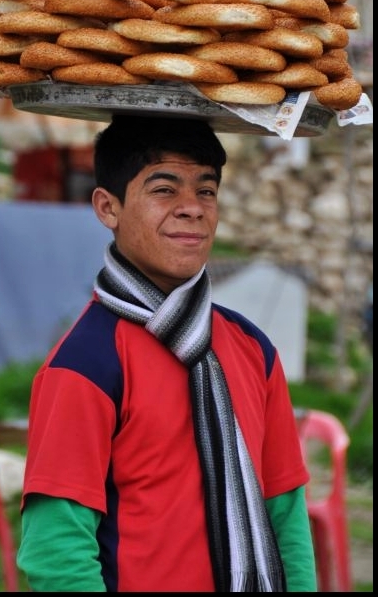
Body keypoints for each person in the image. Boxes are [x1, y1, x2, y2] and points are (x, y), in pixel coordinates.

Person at [16, 113, 317, 592]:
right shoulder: (87, 362)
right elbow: (56, 550)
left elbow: (285, 511)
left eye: (206, 190)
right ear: (107, 207)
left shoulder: (253, 349)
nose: (192, 208)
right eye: (164, 189)